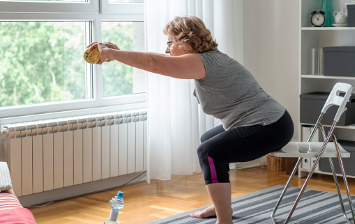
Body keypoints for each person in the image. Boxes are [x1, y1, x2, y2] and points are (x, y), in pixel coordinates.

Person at [88, 16, 294, 224]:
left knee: (210, 152)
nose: (167, 49)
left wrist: (113, 54)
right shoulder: (206, 58)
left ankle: (224, 220)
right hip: (270, 122)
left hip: (270, 126)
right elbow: (157, 59)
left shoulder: (202, 61)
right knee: (208, 140)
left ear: (185, 42)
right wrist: (117, 54)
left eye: (170, 42)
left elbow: (155, 63)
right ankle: (221, 206)